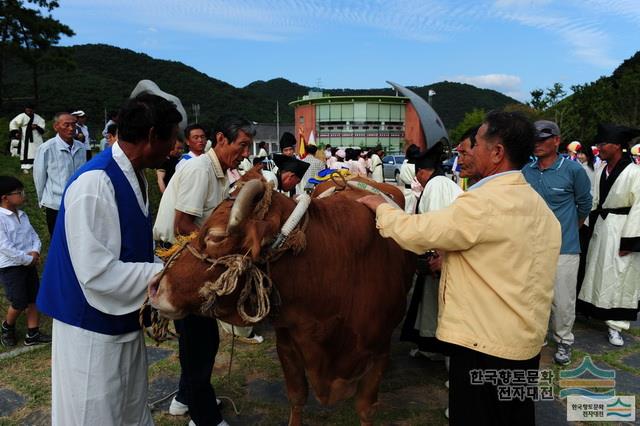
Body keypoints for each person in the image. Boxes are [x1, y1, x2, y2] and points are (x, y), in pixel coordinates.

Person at [358, 110, 561, 425]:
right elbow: (505, 260)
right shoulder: (538, 206)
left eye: (475, 144)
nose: (465, 151)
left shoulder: (484, 203)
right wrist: (452, 259)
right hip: (524, 344)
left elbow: (416, 233)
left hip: (485, 345)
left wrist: (382, 207)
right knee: (514, 416)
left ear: (496, 152)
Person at [36, 89, 184, 426]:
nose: (175, 148)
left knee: (128, 406)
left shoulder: (134, 175)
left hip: (123, 319)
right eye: (171, 139)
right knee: (95, 411)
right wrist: (171, 273)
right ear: (150, 136)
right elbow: (97, 273)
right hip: (89, 327)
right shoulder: (95, 183)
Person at [154, 114, 254, 426]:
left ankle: (184, 399)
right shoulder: (199, 169)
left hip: (197, 260)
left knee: (201, 339)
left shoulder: (222, 173)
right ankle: (204, 417)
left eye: (248, 147)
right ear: (221, 139)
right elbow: (183, 223)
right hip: (187, 264)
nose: (245, 153)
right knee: (199, 343)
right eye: (241, 145)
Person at [522, 120, 592, 365]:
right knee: (533, 296)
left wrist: (573, 228)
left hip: (565, 247)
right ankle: (536, 338)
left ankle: (564, 341)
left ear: (556, 140)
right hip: (531, 247)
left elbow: (584, 204)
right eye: (534, 139)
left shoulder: (573, 170)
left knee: (563, 300)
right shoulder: (526, 170)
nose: (537, 144)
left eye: (543, 139)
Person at [578, 123, 640, 347]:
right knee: (597, 270)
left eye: (603, 143)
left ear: (617, 146)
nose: (599, 147)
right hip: (602, 226)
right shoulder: (601, 170)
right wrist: (585, 225)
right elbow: (594, 199)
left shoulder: (635, 172)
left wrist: (630, 241)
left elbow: (639, 208)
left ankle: (617, 325)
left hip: (622, 227)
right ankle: (596, 310)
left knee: (620, 275)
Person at [401, 142, 462, 360]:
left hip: (442, 255)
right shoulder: (442, 182)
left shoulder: (436, 185)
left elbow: (435, 226)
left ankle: (444, 353)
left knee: (442, 305)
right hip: (442, 253)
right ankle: (431, 346)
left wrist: (434, 256)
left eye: (419, 174)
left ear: (422, 172)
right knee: (430, 302)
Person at [0, 176, 50, 347]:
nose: (23, 195)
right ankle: (7, 327)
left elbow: (34, 236)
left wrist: (35, 251)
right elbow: (5, 247)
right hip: (11, 266)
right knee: (19, 301)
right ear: (4, 198)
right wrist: (28, 259)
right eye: (19, 193)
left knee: (33, 298)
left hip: (29, 263)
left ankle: (33, 333)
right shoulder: (1, 218)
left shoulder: (23, 215)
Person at [33, 112, 87, 236]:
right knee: (58, 238)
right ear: (56, 127)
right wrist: (42, 200)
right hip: (55, 203)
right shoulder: (46, 148)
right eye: (66, 125)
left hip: (77, 201)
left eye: (73, 125)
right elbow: (39, 177)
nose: (71, 128)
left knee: (77, 236)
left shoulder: (81, 147)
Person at [9, 104, 46, 173]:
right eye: (27, 109)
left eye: (30, 109)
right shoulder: (22, 116)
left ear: (33, 110)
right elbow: (13, 123)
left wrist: (36, 127)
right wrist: (16, 133)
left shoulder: (38, 118)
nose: (28, 111)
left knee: (37, 151)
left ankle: (36, 167)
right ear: (25, 109)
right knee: (26, 151)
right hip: (25, 138)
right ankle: (25, 168)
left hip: (36, 138)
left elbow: (42, 128)